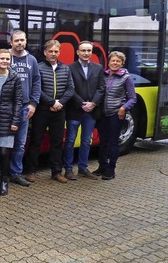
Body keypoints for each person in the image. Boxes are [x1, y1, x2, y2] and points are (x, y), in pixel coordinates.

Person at [24, 39, 74, 184]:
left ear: (59, 52)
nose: (53, 54)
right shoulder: (38, 68)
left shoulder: (66, 69)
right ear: (45, 53)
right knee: (35, 141)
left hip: (59, 111)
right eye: (50, 51)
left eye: (56, 51)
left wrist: (60, 103)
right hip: (42, 110)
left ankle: (56, 172)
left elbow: (70, 89)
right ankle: (31, 171)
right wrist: (51, 102)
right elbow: (36, 89)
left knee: (57, 142)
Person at [64, 41, 104, 181]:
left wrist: (93, 103)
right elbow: (70, 89)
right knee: (70, 141)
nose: (86, 53)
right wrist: (82, 103)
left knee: (86, 141)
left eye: (89, 50)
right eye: (83, 50)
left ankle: (83, 168)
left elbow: (101, 88)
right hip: (75, 110)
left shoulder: (98, 68)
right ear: (77, 52)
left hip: (91, 112)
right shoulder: (70, 68)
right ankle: (68, 169)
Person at [95, 51, 136, 180]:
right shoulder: (104, 75)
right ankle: (102, 166)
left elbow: (132, 98)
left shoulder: (126, 78)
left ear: (122, 63)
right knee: (102, 142)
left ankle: (110, 169)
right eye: (113, 61)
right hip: (103, 114)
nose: (115, 63)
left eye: (118, 61)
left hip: (116, 114)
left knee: (113, 142)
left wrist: (123, 108)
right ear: (109, 62)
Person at [8, 30, 41, 187]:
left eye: (22, 40)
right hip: (7, 108)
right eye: (16, 40)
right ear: (11, 42)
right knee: (3, 143)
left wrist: (33, 104)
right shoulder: (5, 57)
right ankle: (0, 173)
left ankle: (15, 173)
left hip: (24, 108)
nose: (19, 43)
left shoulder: (32, 60)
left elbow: (36, 82)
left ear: (26, 41)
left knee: (20, 144)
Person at [0, 49, 23, 196]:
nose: (4, 61)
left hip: (8, 119)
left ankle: (4, 181)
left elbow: (18, 101)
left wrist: (15, 121)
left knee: (4, 152)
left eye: (7, 59)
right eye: (2, 58)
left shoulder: (14, 78)